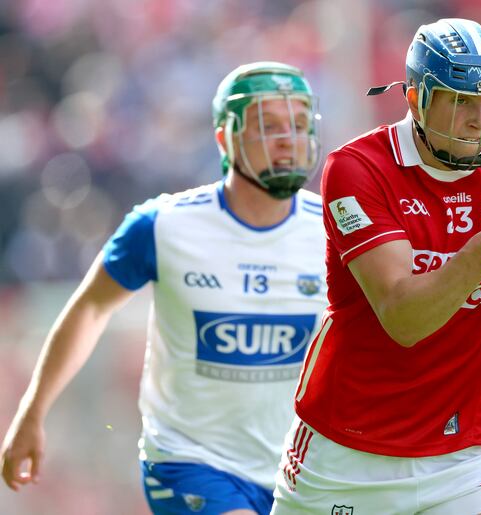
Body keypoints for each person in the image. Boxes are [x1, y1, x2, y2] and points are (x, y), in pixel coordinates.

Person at [271, 19, 481, 515]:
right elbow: (404, 319)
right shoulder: (357, 169)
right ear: (416, 97)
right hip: (345, 459)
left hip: (460, 462)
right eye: (462, 101)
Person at [1, 62, 328, 515]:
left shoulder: (336, 229)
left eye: (296, 124)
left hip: (300, 473)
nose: (287, 140)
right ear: (225, 138)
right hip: (188, 462)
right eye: (267, 126)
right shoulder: (163, 225)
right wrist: (31, 412)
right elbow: (89, 310)